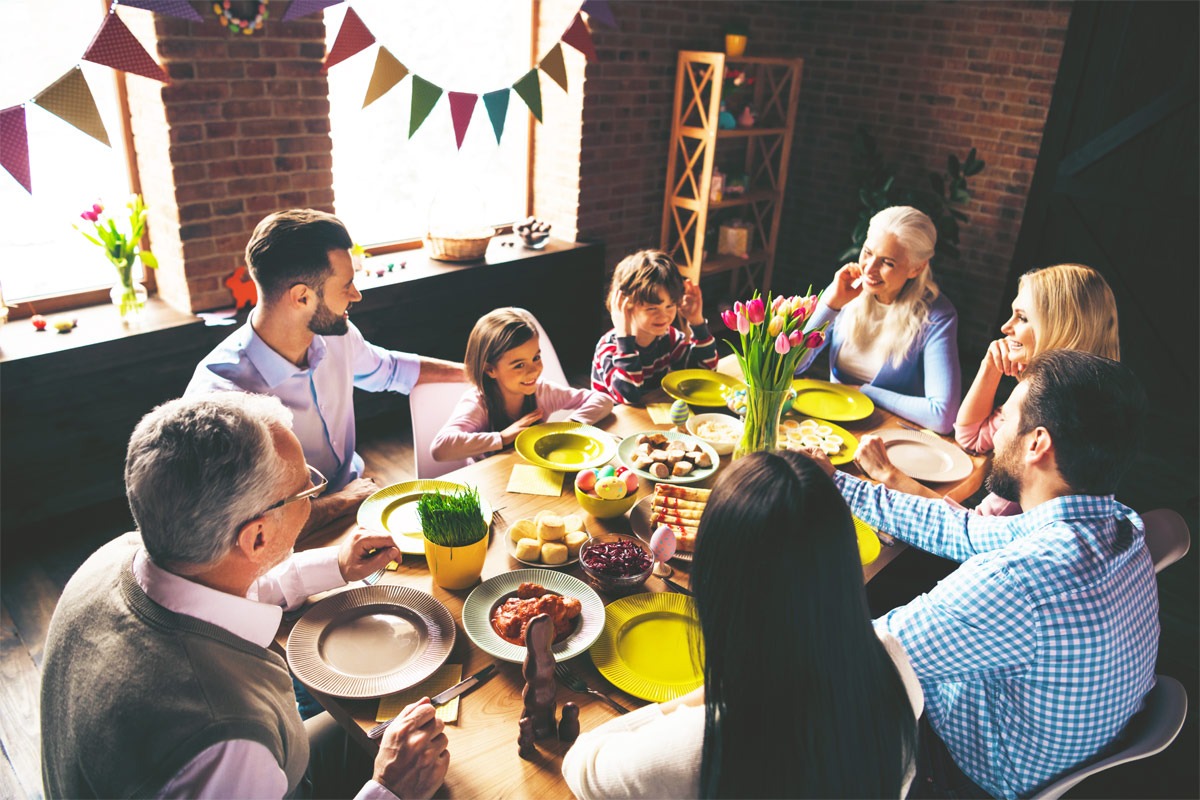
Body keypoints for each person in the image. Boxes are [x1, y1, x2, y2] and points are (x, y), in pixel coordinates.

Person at [40, 392, 449, 799]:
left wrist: (334, 566)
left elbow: (224, 588)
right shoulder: (225, 745)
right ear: (256, 537)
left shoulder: (119, 556)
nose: (313, 492)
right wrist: (389, 790)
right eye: (305, 493)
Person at [804, 350, 1158, 799]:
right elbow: (970, 531)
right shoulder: (1121, 526)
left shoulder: (1018, 582)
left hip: (957, 775)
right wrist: (837, 484)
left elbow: (851, 658)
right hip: (1058, 756)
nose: (995, 429)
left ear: (1037, 443)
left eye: (1005, 416)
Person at [562, 451, 923, 799]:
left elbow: (583, 765)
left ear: (718, 578)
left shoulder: (703, 744)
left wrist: (706, 695)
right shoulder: (891, 657)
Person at [187, 209, 465, 532]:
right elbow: (249, 529)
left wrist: (474, 373)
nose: (356, 295)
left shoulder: (338, 335)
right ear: (302, 297)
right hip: (288, 546)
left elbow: (389, 369)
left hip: (359, 504)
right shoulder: (220, 394)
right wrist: (343, 500)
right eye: (346, 286)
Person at [854, 262, 1121, 515]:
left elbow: (973, 530)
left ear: (1060, 327)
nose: (1006, 327)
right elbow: (971, 438)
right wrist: (989, 367)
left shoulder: (1050, 418)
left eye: (1023, 318)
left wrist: (886, 473)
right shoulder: (1079, 397)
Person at [793, 206, 961, 433]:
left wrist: (864, 391)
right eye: (868, 252)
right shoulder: (846, 290)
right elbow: (791, 366)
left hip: (890, 435)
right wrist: (830, 305)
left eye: (887, 262)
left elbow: (942, 416)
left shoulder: (938, 316)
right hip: (830, 424)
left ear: (916, 268)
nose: (869, 269)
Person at [431, 308, 612, 463]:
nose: (533, 371)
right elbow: (440, 449)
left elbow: (603, 400)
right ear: (490, 370)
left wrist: (569, 426)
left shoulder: (543, 392)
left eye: (536, 358)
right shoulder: (479, 403)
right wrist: (503, 437)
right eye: (519, 365)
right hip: (488, 484)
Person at [591, 250, 719, 405]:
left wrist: (697, 322)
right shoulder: (609, 347)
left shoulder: (669, 337)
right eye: (652, 308)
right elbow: (628, 397)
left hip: (650, 420)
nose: (664, 316)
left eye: (670, 305)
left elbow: (704, 374)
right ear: (625, 306)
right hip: (614, 425)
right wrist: (624, 339)